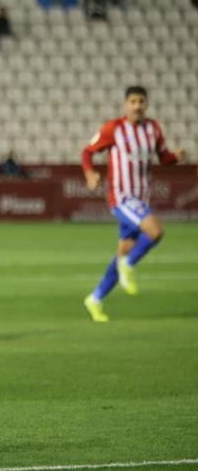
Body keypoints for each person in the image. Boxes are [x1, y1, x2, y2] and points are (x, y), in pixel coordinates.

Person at [81, 86, 185, 323]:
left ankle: (95, 298)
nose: (137, 106)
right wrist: (89, 174)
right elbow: (87, 152)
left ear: (146, 104)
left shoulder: (153, 128)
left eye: (141, 102)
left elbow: (163, 157)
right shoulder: (113, 128)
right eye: (133, 101)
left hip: (141, 198)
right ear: (125, 104)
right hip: (122, 196)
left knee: (123, 252)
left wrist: (176, 157)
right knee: (155, 231)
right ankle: (128, 265)